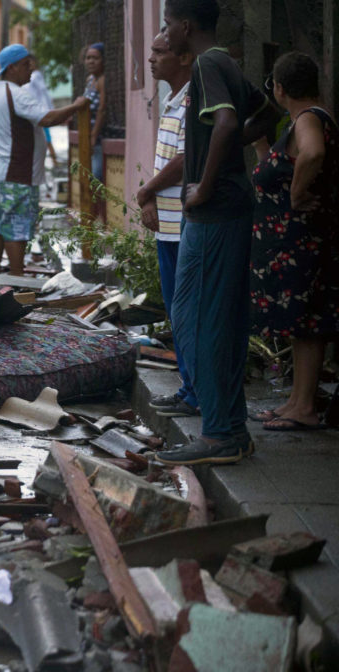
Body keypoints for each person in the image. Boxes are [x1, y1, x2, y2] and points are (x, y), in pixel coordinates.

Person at [155, 0, 278, 466]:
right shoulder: (224, 59)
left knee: (196, 319)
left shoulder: (207, 63)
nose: (165, 36)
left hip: (215, 212)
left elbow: (227, 121)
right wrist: (225, 159)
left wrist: (204, 187)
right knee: (214, 320)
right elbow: (266, 114)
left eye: (167, 26)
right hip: (226, 209)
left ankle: (220, 434)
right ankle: (231, 429)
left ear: (186, 26)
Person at [248, 52, 339, 431]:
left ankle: (303, 406)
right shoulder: (309, 118)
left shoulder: (308, 119)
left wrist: (297, 194)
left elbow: (313, 153)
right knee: (304, 325)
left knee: (309, 323)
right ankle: (296, 401)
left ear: (281, 89)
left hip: (304, 242)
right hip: (299, 243)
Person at [0, 44, 87, 275]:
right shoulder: (16, 94)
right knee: (15, 228)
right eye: (26, 65)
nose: (31, 69)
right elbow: (46, 118)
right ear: (13, 67)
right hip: (15, 174)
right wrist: (76, 106)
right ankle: (17, 278)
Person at [137, 31, 198, 419]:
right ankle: (189, 387)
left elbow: (183, 160)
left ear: (183, 58)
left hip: (182, 225)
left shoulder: (192, 99)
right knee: (178, 311)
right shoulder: (172, 99)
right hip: (168, 224)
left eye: (160, 52)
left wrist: (146, 192)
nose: (151, 59)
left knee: (186, 310)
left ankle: (194, 392)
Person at [24, 56, 59, 167]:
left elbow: (43, 94)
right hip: (38, 112)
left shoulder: (35, 76)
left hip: (40, 112)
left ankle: (53, 161)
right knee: (43, 139)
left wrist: (49, 109)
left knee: (46, 139)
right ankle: (52, 161)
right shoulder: (34, 77)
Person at [82, 43, 107, 180]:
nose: (91, 61)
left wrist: (93, 136)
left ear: (103, 60)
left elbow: (102, 109)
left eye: (95, 58)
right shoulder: (90, 79)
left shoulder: (102, 80)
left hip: (97, 137)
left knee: (95, 176)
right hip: (87, 134)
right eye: (88, 58)